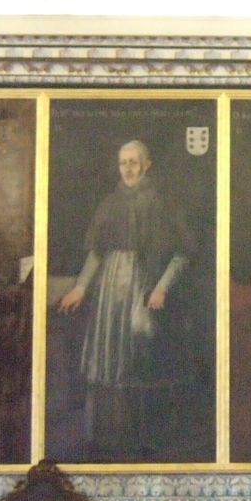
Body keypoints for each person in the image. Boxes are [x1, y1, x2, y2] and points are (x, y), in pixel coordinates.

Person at [57, 139, 194, 459]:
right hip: (110, 293)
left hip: (146, 288)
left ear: (147, 164)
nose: (128, 169)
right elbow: (97, 253)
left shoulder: (164, 202)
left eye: (134, 162)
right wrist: (80, 287)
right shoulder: (109, 203)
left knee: (141, 362)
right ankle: (108, 438)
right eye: (123, 163)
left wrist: (161, 288)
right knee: (109, 361)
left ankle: (143, 439)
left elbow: (183, 253)